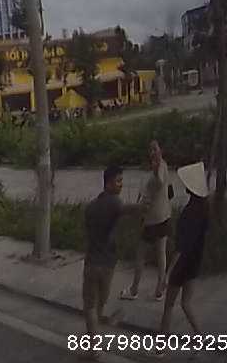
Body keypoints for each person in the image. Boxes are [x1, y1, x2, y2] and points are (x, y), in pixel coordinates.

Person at [160, 162, 209, 339]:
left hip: (181, 265)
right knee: (186, 303)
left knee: (169, 306)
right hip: (195, 261)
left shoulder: (189, 213)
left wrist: (167, 273)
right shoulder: (204, 209)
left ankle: (161, 346)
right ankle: (200, 335)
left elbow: (181, 247)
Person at [82, 164, 125, 355]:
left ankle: (93, 342)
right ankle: (94, 340)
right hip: (108, 264)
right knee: (98, 303)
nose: (121, 184)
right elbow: (127, 210)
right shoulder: (115, 202)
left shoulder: (91, 207)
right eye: (118, 181)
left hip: (92, 261)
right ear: (108, 183)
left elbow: (87, 232)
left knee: (90, 305)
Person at [122, 141, 170, 301]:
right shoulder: (162, 166)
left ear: (160, 150)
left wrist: (140, 215)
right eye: (150, 149)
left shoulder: (159, 169)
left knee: (141, 254)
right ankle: (159, 290)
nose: (153, 151)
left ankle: (134, 290)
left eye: (155, 148)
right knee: (161, 253)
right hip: (163, 217)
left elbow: (159, 181)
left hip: (152, 220)